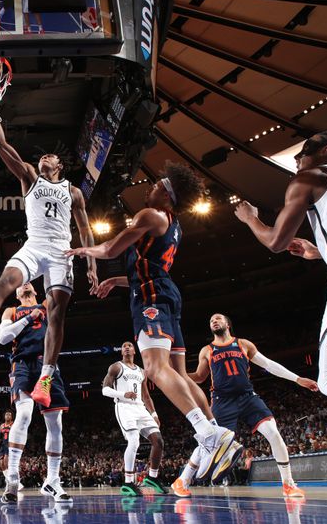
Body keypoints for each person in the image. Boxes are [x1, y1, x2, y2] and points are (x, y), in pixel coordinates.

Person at [67, 162, 242, 484]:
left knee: (155, 369)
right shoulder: (173, 224)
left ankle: (208, 435)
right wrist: (117, 281)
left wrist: (81, 249)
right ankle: (215, 430)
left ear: (167, 192)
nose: (149, 187)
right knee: (178, 373)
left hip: (150, 300)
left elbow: (109, 248)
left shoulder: (149, 215)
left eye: (156, 184)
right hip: (163, 293)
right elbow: (149, 269)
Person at [0, 121, 97, 410]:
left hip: (62, 253)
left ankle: (46, 379)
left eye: (49, 156)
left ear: (59, 165)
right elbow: (1, 146)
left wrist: (91, 262)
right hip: (35, 245)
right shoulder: (29, 176)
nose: (43, 158)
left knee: (56, 313)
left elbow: (86, 230)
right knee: (5, 282)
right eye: (41, 156)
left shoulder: (73, 192)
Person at [234, 131, 327, 413]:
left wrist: (251, 219)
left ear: (324, 151)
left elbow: (276, 242)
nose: (296, 161)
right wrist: (318, 251)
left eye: (301, 154)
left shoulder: (309, 178)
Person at [180, 313, 317, 498]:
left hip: (247, 397)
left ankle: (288, 484)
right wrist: (177, 376)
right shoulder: (207, 350)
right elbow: (200, 376)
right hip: (222, 400)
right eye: (211, 320)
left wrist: (298, 379)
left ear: (227, 324)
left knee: (273, 433)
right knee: (208, 442)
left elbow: (269, 364)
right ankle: (183, 480)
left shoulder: (243, 344)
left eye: (218, 318)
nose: (214, 321)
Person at [0, 283, 71, 504]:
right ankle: (12, 478)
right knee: (25, 414)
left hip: (48, 364)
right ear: (17, 294)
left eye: (29, 282)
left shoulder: (47, 304)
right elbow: (2, 337)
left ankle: (53, 480)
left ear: (37, 291)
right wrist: (29, 318)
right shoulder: (11, 311)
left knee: (55, 423)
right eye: (20, 285)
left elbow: (60, 293)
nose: (25, 284)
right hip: (22, 364)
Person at [101, 341, 168, 496]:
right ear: (121, 351)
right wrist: (122, 394)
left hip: (140, 408)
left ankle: (152, 477)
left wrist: (154, 414)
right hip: (124, 407)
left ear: (134, 351)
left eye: (129, 345)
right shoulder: (116, 367)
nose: (126, 347)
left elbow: (146, 396)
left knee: (158, 441)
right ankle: (128, 482)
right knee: (134, 441)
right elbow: (105, 390)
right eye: (124, 346)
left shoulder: (141, 371)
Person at [0, 410, 13, 485]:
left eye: (9, 415)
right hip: (3, 445)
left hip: (10, 445)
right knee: (1, 464)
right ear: (4, 417)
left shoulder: (13, 424)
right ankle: (8, 479)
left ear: (11, 417)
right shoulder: (2, 426)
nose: (7, 416)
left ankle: (11, 480)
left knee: (6, 461)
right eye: (6, 415)